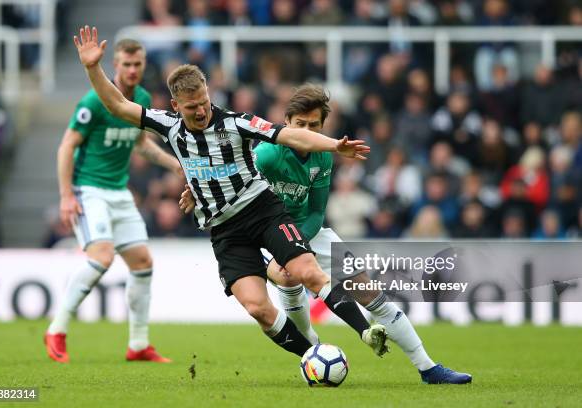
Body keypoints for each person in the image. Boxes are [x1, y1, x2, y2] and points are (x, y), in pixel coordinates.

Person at [73, 26, 386, 359]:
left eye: (204, 102)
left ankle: (365, 331)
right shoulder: (167, 125)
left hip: (262, 210)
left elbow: (292, 136)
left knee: (307, 270)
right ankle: (314, 356)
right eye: (192, 106)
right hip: (225, 229)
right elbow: (119, 106)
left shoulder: (238, 122)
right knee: (258, 308)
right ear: (176, 105)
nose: (201, 110)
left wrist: (335, 146)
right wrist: (93, 67)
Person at [181, 83, 472, 384]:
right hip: (263, 231)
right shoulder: (267, 154)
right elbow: (230, 182)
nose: (308, 130)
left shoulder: (323, 156)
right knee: (290, 280)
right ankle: (315, 357)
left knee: (368, 290)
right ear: (287, 123)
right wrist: (196, 191)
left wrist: (299, 244)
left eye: (314, 125)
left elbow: (318, 211)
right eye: (301, 124)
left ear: (323, 125)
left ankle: (428, 367)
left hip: (308, 231)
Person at [45, 38, 181, 364]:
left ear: (143, 64)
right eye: (126, 64)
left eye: (138, 64)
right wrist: (66, 195)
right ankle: (57, 329)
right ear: (115, 65)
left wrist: (175, 163)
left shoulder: (143, 99)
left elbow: (142, 145)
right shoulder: (94, 102)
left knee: (143, 263)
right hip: (88, 190)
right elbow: (66, 146)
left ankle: (138, 345)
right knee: (102, 257)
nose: (133, 70)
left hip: (119, 193)